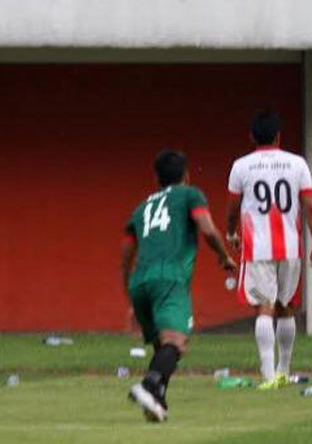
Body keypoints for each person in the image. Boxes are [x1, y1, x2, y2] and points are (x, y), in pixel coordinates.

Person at [122, 150, 236, 422]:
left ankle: (157, 400)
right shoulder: (189, 194)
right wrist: (223, 256)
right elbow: (206, 228)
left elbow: (126, 255)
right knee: (176, 342)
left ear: (156, 178)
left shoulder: (140, 209)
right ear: (186, 175)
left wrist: (131, 297)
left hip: (140, 281)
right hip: (169, 278)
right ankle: (149, 385)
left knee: (164, 347)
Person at [226, 110, 312, 389]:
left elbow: (233, 207)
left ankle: (268, 375)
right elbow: (310, 206)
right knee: (286, 307)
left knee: (264, 309)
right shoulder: (297, 163)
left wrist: (231, 232)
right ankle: (283, 370)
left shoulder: (241, 166)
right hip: (290, 245)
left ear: (252, 136)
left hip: (257, 247)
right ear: (279, 135)